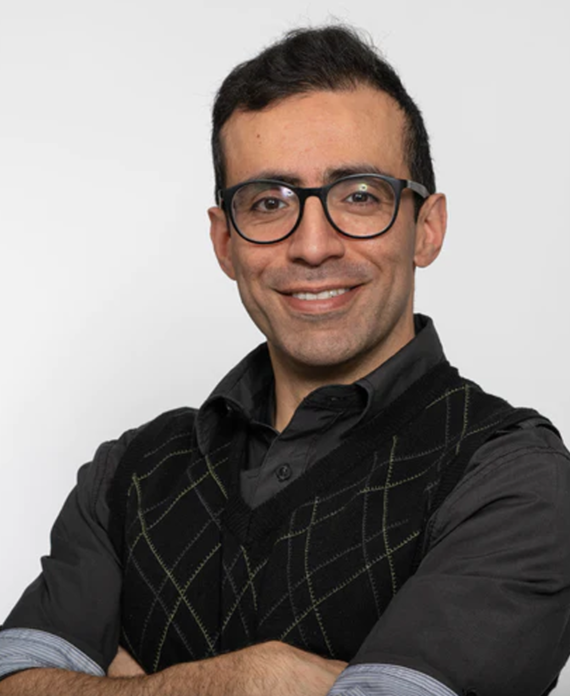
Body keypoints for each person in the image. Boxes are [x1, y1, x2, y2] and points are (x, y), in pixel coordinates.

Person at [0, 24, 569, 696]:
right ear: (225, 242)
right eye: (269, 203)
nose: (313, 245)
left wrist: (118, 683)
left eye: (359, 195)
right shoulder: (128, 473)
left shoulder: (511, 477)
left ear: (427, 227)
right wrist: (250, 680)